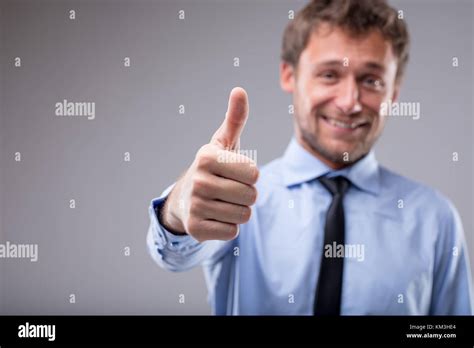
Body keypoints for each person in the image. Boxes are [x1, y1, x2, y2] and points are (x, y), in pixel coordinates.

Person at [147, 0, 473, 315]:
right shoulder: (238, 200)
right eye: (329, 74)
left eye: (371, 80)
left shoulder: (435, 219)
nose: (349, 102)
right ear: (289, 75)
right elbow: (173, 254)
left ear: (394, 92)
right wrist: (178, 210)